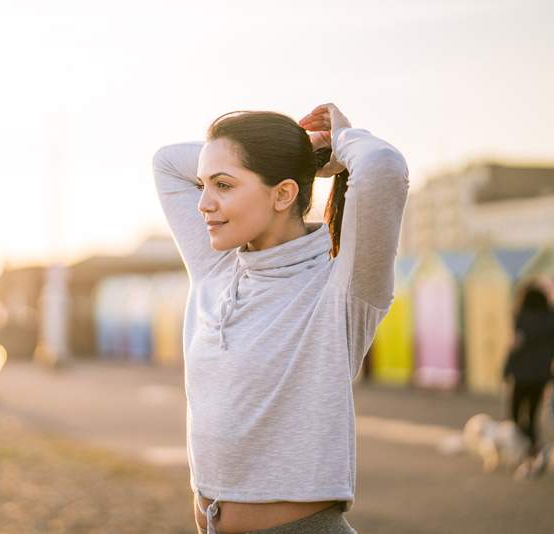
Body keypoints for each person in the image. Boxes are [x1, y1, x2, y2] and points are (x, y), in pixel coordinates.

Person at [152, 103, 409, 534]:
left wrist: (339, 146)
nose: (203, 203)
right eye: (204, 183)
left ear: (283, 194)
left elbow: (382, 168)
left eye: (223, 185)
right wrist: (295, 157)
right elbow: (165, 162)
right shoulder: (216, 269)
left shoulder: (338, 288)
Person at [502, 283, 554, 478]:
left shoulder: (522, 319)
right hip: (541, 376)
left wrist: (505, 371)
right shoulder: (550, 319)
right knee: (532, 416)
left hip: (522, 376)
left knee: (515, 416)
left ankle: (527, 453)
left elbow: (515, 347)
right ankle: (535, 450)